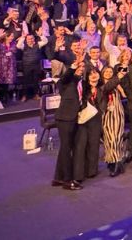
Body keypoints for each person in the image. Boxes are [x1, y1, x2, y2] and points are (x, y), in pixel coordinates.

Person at [53, 59, 84, 190]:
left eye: (82, 67)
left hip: (75, 118)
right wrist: (74, 66)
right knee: (66, 149)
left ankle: (58, 178)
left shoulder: (80, 82)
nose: (81, 69)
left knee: (65, 148)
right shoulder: (65, 82)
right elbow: (66, 77)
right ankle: (67, 180)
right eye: (79, 67)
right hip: (65, 118)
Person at [100, 63, 127, 177]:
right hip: (106, 115)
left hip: (117, 114)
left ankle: (116, 162)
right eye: (106, 71)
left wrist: (124, 64)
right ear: (102, 73)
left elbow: (124, 94)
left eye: (110, 72)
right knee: (109, 139)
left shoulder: (116, 83)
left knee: (116, 138)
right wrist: (117, 78)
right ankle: (113, 161)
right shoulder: (101, 85)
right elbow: (107, 88)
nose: (108, 73)